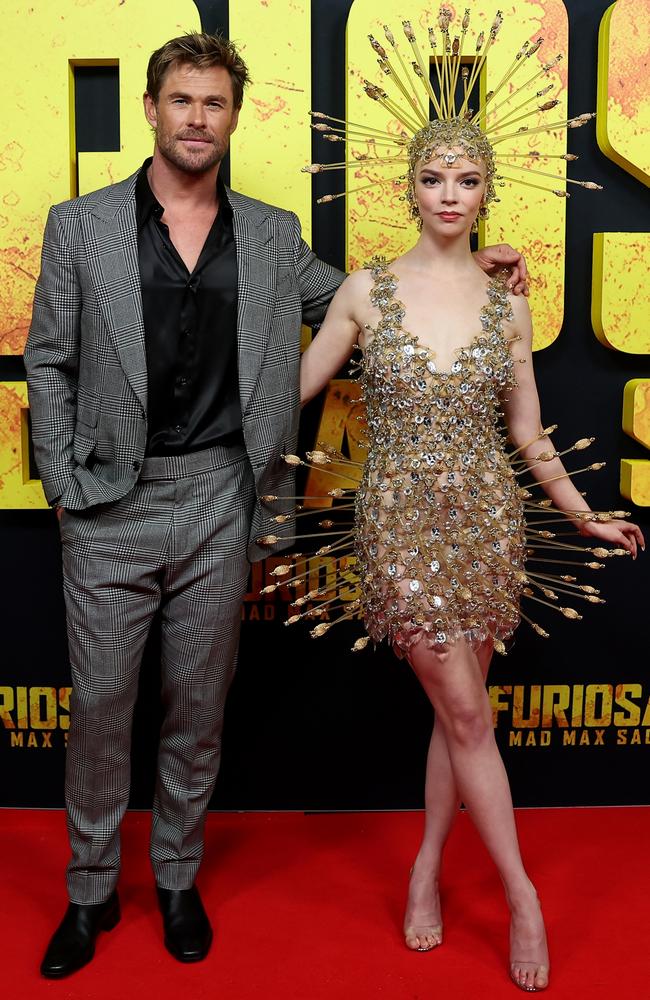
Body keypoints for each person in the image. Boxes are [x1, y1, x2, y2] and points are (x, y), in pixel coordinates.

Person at [24, 30, 525, 979]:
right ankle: (90, 890)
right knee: (98, 704)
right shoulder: (78, 225)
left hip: (221, 495)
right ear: (152, 109)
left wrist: (467, 263)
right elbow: (47, 361)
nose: (198, 119)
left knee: (198, 707)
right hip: (107, 503)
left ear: (234, 118)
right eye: (182, 101)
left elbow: (381, 304)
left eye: (215, 104)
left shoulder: (269, 234)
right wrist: (63, 486)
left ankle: (177, 878)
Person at [288, 16, 644, 993]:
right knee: (462, 710)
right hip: (398, 523)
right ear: (408, 185)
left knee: (462, 715)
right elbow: (294, 385)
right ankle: (522, 894)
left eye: (466, 180)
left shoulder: (508, 302)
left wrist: (579, 515)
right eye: (432, 178)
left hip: (489, 521)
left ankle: (423, 872)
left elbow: (527, 433)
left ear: (485, 190)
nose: (447, 196)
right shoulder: (364, 291)